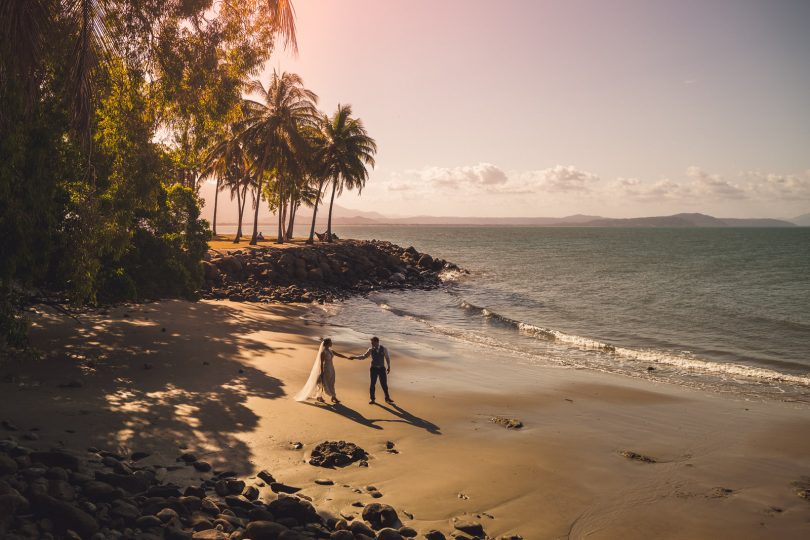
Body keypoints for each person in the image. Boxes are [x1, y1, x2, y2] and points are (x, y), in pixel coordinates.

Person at [294, 338, 349, 404]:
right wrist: (322, 372)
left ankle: (333, 397)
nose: (332, 343)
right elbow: (321, 363)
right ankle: (321, 396)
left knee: (331, 382)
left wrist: (347, 357)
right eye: (330, 342)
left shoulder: (331, 350)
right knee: (323, 383)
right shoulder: (323, 352)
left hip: (331, 368)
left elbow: (338, 354)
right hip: (326, 369)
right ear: (327, 344)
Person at [351, 337, 394, 404]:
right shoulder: (370, 350)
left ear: (377, 342)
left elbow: (387, 358)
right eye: (371, 342)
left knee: (384, 384)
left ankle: (387, 398)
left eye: (373, 342)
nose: (372, 344)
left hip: (382, 368)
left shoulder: (384, 349)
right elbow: (364, 356)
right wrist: (354, 357)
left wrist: (389, 367)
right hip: (374, 369)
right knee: (372, 384)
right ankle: (372, 399)